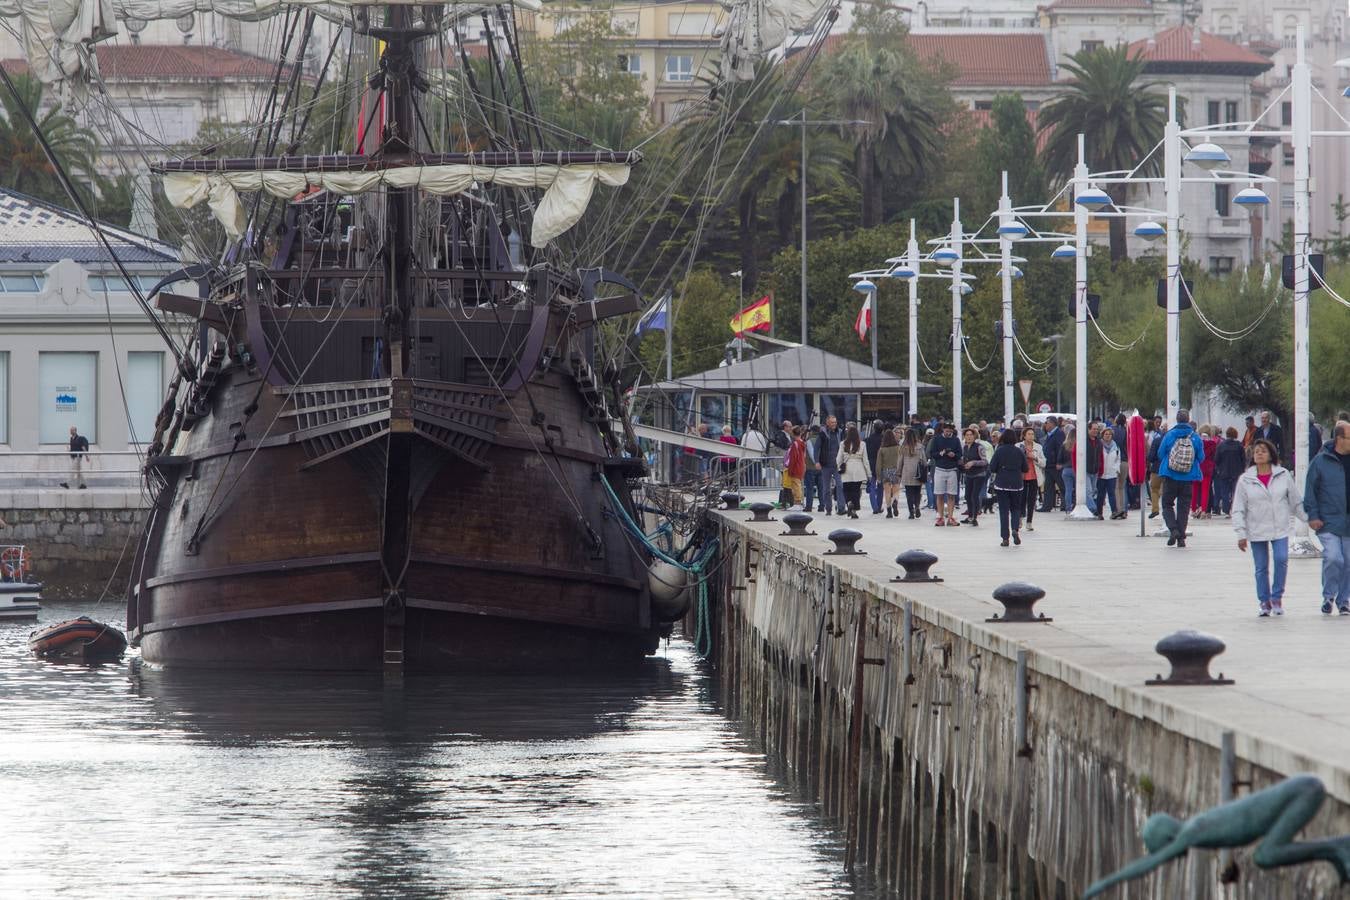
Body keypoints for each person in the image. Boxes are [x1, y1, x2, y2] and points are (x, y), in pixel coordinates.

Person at [1232, 438, 1304, 617]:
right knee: (1261, 567)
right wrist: (1241, 533)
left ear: (1271, 454)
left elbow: (1295, 502)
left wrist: (1311, 519)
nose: (1259, 453)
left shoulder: (1283, 475)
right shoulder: (1245, 479)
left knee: (1281, 559)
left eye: (1263, 450)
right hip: (1256, 528)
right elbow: (1238, 508)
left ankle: (1276, 597)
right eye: (1256, 451)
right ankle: (1264, 601)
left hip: (1279, 527)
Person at [1304, 421, 1350, 616]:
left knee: (1348, 561)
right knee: (1333, 557)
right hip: (1328, 520)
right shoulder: (1321, 461)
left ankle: (1343, 600)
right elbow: (1310, 490)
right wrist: (1313, 515)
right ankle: (1328, 595)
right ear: (1339, 439)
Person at [1157, 409, 1205, 548]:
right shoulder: (1195, 437)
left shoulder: (1170, 435)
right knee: (1183, 508)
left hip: (1171, 475)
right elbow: (1201, 457)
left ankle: (1173, 530)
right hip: (1188, 478)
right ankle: (1181, 538)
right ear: (1188, 419)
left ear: (1177, 420)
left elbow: (1160, 454)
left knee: (1167, 504)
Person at [989, 429, 1029, 546]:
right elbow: (1025, 468)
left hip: (1002, 484)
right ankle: (1015, 530)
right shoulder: (1019, 451)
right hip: (1017, 483)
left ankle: (1005, 538)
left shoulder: (999, 451)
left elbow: (992, 467)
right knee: (1016, 509)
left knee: (1004, 511)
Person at [835, 425, 872, 519]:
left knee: (846, 489)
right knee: (856, 490)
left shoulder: (843, 443)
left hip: (847, 468)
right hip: (858, 468)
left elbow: (839, 458)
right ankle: (854, 511)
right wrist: (868, 473)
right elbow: (865, 460)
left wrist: (839, 467)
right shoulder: (862, 444)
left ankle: (849, 502)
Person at [930, 422, 963, 527]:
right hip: (939, 469)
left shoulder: (956, 440)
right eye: (946, 430)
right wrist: (941, 453)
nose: (948, 432)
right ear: (943, 430)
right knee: (939, 494)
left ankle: (950, 517)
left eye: (950, 431)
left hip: (952, 469)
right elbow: (932, 454)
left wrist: (954, 455)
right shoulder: (936, 439)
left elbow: (960, 454)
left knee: (951, 494)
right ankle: (940, 516)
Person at [1212, 426, 1246, 518]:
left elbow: (1216, 459)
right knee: (1235, 491)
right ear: (1235, 435)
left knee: (1225, 492)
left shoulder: (1221, 445)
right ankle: (1234, 509)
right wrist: (1243, 470)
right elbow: (1243, 459)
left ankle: (1226, 510)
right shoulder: (1239, 445)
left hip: (1224, 472)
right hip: (1237, 472)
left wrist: (1218, 469)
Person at [815, 416, 845, 516]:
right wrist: (817, 461)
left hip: (837, 464)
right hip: (826, 464)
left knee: (840, 485)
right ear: (827, 423)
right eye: (832, 422)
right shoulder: (822, 434)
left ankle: (841, 508)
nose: (834, 424)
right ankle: (828, 508)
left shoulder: (840, 432)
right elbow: (816, 448)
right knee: (826, 488)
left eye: (835, 422)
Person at [959, 427, 989, 526]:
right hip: (969, 474)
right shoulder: (965, 447)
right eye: (967, 435)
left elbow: (985, 461)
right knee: (967, 495)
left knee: (974, 495)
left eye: (971, 435)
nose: (969, 437)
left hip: (979, 474)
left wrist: (973, 463)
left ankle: (975, 517)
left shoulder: (979, 447)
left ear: (974, 436)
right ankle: (970, 515)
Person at [897, 428, 927, 519]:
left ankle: (911, 511)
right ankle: (917, 506)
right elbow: (924, 460)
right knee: (917, 492)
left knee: (909, 493)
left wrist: (898, 471)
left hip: (907, 472)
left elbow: (900, 461)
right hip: (917, 472)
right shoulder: (920, 446)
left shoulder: (903, 447)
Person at [1096, 426, 1123, 519]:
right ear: (1102, 435)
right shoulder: (1099, 445)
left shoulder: (1116, 447)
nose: (1108, 436)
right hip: (1101, 474)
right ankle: (1099, 513)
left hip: (1112, 474)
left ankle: (1114, 512)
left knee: (1111, 493)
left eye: (1109, 434)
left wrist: (1116, 469)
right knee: (1100, 494)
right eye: (1106, 434)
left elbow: (1118, 459)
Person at [1192, 425, 1218, 519]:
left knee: (1194, 489)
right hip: (1207, 469)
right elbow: (1214, 457)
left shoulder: (1196, 442)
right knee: (1205, 491)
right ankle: (1203, 510)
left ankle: (1194, 509)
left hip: (1197, 467)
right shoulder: (1213, 444)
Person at [1020, 427, 1044, 531]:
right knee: (1021, 499)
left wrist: (1034, 457)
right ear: (1024, 436)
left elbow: (1044, 462)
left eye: (1032, 434)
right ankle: (1019, 518)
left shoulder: (1038, 447)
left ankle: (1029, 521)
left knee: (1032, 500)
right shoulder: (1018, 446)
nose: (1031, 436)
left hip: (1034, 476)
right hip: (1022, 477)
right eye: (1029, 434)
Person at [1040, 417, 1064, 512]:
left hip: (1055, 465)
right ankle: (1047, 506)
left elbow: (1060, 449)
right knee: (1048, 486)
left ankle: (1066, 504)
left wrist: (1059, 462)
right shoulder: (1049, 434)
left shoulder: (1058, 433)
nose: (1045, 425)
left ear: (1052, 424)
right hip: (1048, 464)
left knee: (1062, 485)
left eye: (1047, 423)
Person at [876, 428, 901, 518]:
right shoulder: (898, 448)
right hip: (896, 470)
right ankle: (895, 501)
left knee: (887, 492)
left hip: (885, 471)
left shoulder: (882, 449)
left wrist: (879, 476)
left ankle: (889, 511)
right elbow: (901, 460)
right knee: (896, 490)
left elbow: (878, 464)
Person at [781, 426, 807, 508]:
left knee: (796, 486)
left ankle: (797, 503)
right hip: (800, 466)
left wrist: (790, 469)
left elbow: (793, 458)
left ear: (793, 433)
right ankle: (797, 502)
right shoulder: (802, 443)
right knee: (797, 485)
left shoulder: (795, 444)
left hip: (795, 467)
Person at [865, 421, 885, 515]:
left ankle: (874, 507)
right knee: (881, 486)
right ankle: (879, 505)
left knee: (872, 486)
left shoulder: (868, 439)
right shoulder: (884, 440)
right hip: (882, 464)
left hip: (871, 463)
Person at [1146, 417, 1165, 518]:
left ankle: (1155, 509)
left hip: (1157, 469)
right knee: (1167, 490)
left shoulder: (1157, 441)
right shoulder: (1172, 441)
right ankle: (1167, 509)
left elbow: (1151, 456)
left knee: (1154, 489)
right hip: (1169, 469)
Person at [741, 421, 768, 487]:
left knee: (749, 475)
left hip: (748, 459)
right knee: (757, 475)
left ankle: (748, 487)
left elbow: (742, 447)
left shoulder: (745, 435)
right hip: (758, 459)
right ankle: (757, 487)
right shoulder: (760, 435)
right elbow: (764, 447)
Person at [61, 425, 89, 489]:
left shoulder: (79, 438)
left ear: (75, 431)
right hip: (73, 457)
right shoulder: (71, 439)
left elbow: (83, 447)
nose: (70, 431)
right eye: (70, 430)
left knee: (73, 470)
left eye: (72, 430)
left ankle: (67, 483)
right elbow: (72, 448)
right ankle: (84, 484)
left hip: (78, 457)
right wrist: (69, 451)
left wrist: (87, 456)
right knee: (79, 472)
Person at [802, 424, 820, 511]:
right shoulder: (823, 440)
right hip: (821, 468)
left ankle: (809, 506)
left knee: (810, 488)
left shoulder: (809, 441)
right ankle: (822, 506)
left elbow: (812, 454)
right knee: (822, 488)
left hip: (811, 467)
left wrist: (816, 462)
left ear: (812, 432)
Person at [1061, 426, 1077, 512]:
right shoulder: (1079, 445)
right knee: (1078, 490)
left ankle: (1068, 508)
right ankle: (1076, 505)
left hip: (1066, 469)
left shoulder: (1065, 444)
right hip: (1076, 469)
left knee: (1068, 490)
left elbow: (1060, 458)